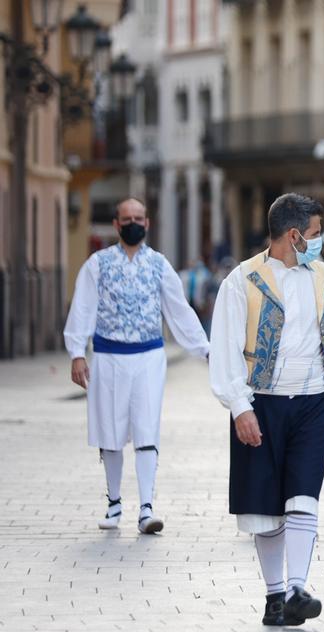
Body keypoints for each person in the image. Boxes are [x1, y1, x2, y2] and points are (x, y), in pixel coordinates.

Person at [208, 193, 324, 627]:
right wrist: (240, 406)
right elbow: (224, 351)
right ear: (294, 235)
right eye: (314, 235)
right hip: (263, 402)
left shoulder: (322, 275)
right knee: (266, 506)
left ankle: (297, 587)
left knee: (303, 495)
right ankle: (275, 596)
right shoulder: (242, 281)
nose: (318, 242)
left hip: (314, 401)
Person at [63, 198, 210, 534]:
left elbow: (179, 310)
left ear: (147, 223)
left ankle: (146, 508)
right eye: (127, 218)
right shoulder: (97, 264)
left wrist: (204, 350)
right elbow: (83, 308)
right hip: (109, 356)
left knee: (146, 427)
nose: (133, 223)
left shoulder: (159, 265)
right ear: (116, 224)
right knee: (110, 430)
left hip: (148, 356)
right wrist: (76, 352)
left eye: (139, 218)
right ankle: (114, 503)